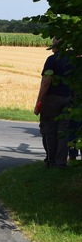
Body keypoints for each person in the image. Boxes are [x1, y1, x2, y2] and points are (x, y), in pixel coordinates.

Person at [34, 38, 73, 168]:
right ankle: (61, 162)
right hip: (68, 99)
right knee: (63, 132)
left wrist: (39, 101)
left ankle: (51, 160)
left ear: (55, 46)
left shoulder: (52, 60)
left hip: (52, 99)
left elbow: (46, 82)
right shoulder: (73, 60)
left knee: (49, 130)